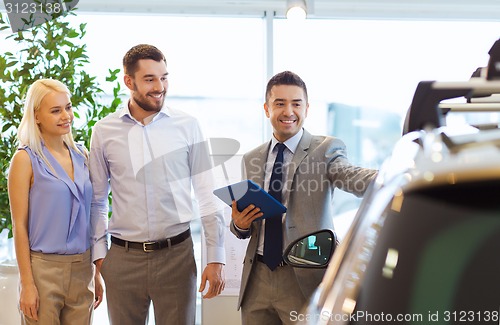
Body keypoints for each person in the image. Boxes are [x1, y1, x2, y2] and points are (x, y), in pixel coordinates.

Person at [89, 44, 226, 325]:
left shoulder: (188, 126)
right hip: (123, 259)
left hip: (177, 257)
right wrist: (100, 257)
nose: (159, 86)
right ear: (129, 81)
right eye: (150, 79)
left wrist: (215, 258)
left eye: (164, 77)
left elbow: (207, 195)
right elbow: (97, 201)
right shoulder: (104, 131)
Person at [230, 71, 378, 324]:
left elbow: (351, 176)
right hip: (258, 279)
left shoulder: (326, 150)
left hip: (304, 277)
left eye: (296, 104)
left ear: (306, 108)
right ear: (267, 109)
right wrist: (239, 225)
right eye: (280, 104)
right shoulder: (251, 158)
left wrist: (396, 176)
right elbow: (249, 225)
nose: (288, 111)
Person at [7, 79, 103, 324]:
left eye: (68, 107)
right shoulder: (25, 159)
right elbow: (19, 226)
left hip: (83, 269)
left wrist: (97, 273)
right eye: (55, 110)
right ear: (36, 115)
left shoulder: (82, 155)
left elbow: (92, 215)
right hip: (43, 271)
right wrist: (27, 284)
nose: (66, 116)